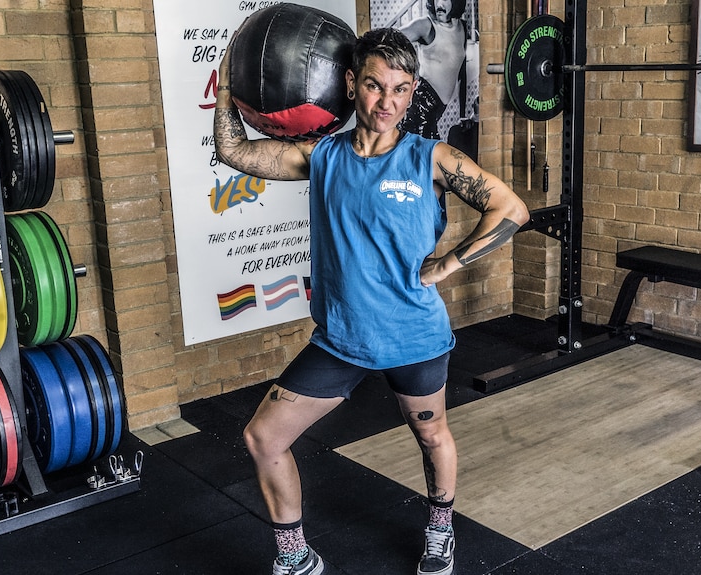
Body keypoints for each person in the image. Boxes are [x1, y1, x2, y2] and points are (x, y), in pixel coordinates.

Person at [213, 27, 529, 575]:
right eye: (375, 86)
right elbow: (233, 150)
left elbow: (511, 209)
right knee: (262, 438)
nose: (388, 102)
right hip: (341, 338)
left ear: (413, 91)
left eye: (401, 89)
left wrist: (447, 264)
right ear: (351, 83)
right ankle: (295, 556)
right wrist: (226, 87)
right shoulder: (322, 156)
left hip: (413, 336)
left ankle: (440, 529)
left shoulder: (431, 158)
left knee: (431, 434)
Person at [399, 0, 470, 139]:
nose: (439, 5)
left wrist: (462, 114)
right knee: (422, 149)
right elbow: (388, 38)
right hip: (420, 107)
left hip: (436, 111)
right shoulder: (425, 25)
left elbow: (462, 72)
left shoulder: (462, 27)